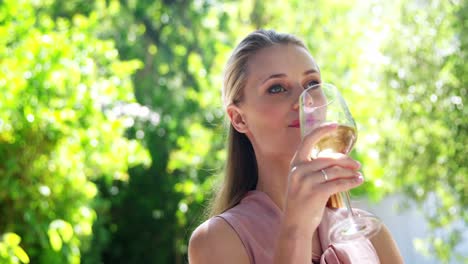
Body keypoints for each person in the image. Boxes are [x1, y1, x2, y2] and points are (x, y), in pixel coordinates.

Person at [188, 29, 403, 264]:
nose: (305, 100)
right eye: (277, 88)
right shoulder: (217, 241)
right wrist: (296, 231)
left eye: (312, 83)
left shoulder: (374, 237)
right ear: (239, 118)